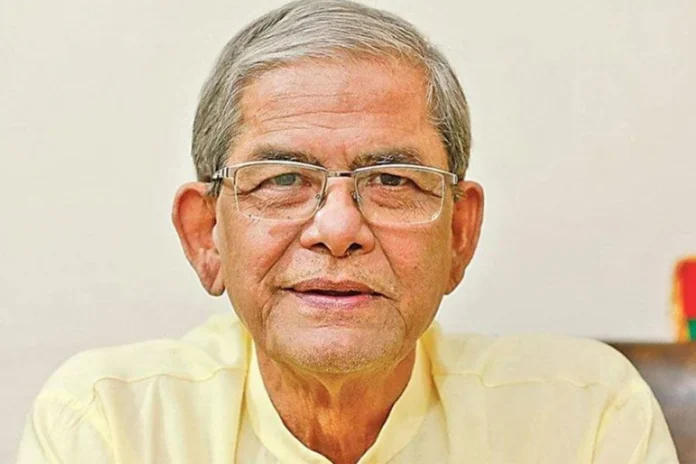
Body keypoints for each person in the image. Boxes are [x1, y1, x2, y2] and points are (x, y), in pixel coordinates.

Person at [16, 1, 678, 463]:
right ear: (206, 234)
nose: (337, 229)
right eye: (283, 178)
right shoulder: (114, 426)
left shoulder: (583, 418)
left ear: (459, 233)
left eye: (392, 179)